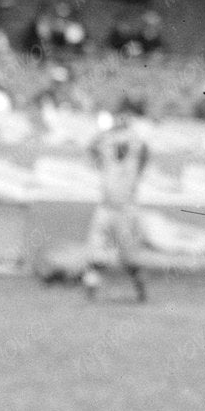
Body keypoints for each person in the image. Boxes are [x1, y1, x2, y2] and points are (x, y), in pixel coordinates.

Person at [82, 99, 151, 302]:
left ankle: (140, 286)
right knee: (96, 248)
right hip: (107, 205)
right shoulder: (108, 142)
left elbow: (143, 154)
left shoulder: (135, 143)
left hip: (125, 207)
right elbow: (92, 148)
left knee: (129, 256)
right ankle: (91, 288)